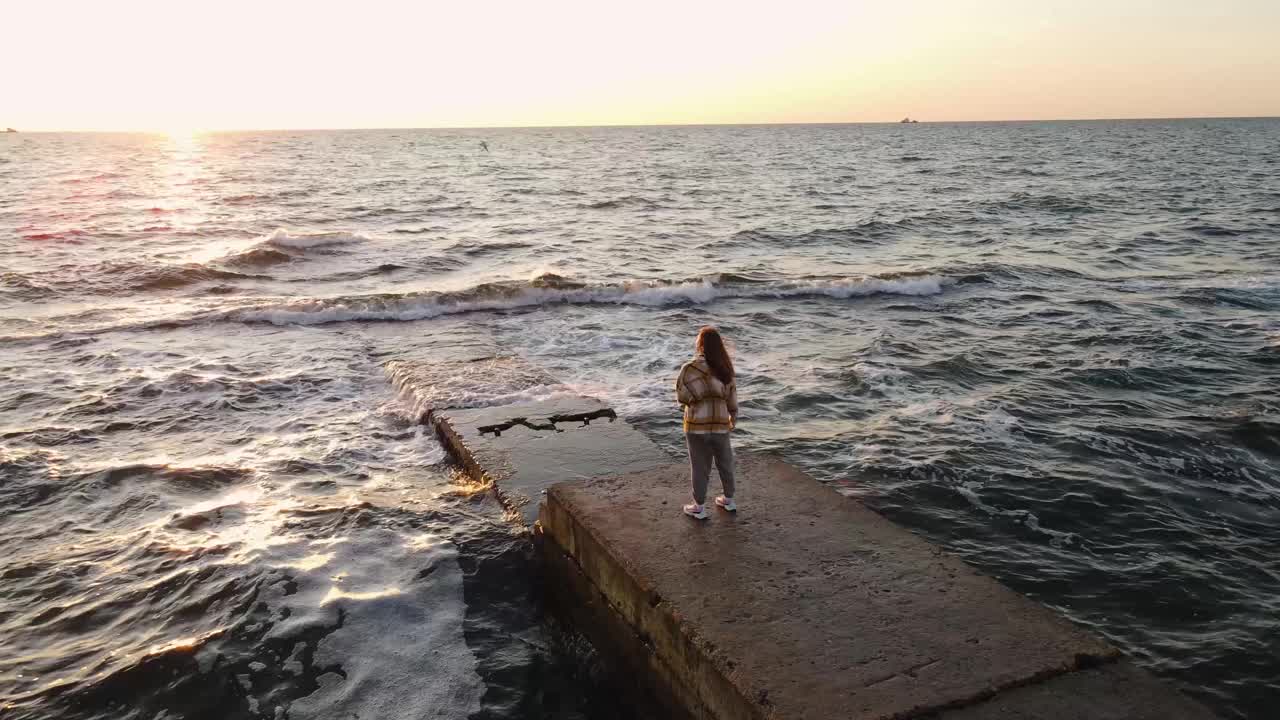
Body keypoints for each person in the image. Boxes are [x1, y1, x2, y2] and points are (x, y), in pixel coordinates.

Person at [675, 326, 739, 520]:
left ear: (700, 345)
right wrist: (732, 418)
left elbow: (682, 397)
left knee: (700, 466)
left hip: (696, 426)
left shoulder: (689, 369)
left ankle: (699, 507)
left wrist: (696, 399)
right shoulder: (725, 369)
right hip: (720, 424)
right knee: (725, 462)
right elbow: (732, 400)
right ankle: (729, 500)